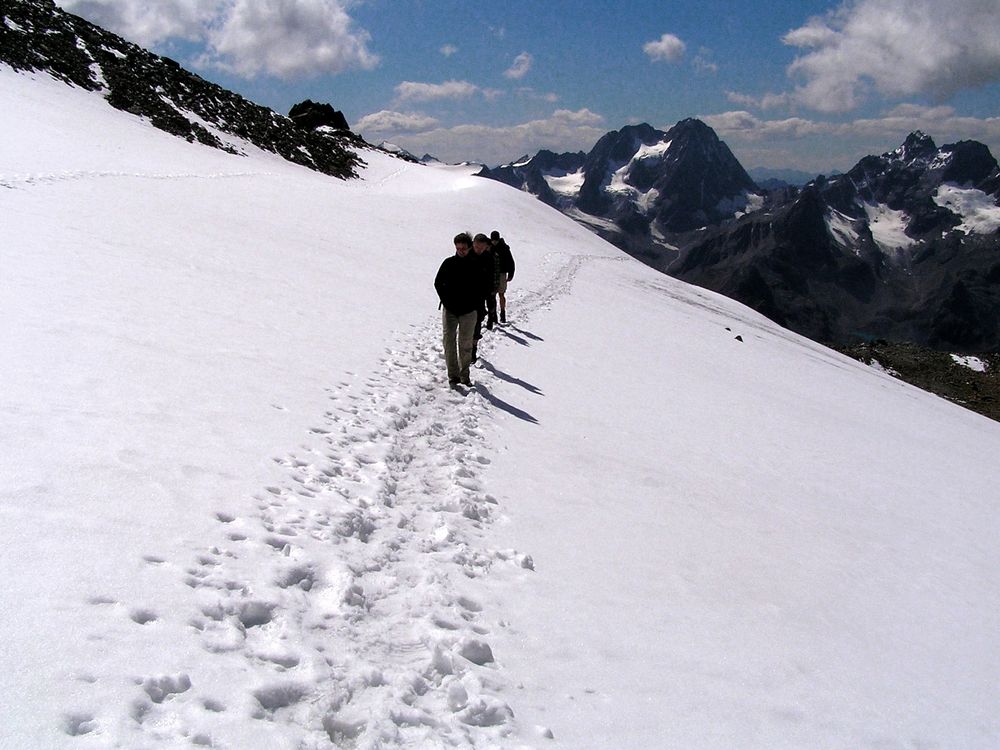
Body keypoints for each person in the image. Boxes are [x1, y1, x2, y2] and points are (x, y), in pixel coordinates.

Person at [434, 233, 484, 387]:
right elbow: (438, 283)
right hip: (450, 310)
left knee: (465, 344)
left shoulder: (476, 265)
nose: (460, 251)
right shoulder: (448, 263)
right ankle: (453, 376)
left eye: (463, 248)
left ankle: (465, 376)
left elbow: (481, 289)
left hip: (469, 312)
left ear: (469, 247)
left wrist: (477, 309)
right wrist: (446, 301)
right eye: (458, 248)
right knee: (448, 342)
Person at [490, 231, 515, 324]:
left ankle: (502, 313)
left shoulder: (504, 248)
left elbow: (510, 261)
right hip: (492, 274)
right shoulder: (490, 247)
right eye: (493, 240)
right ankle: (494, 315)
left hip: (501, 273)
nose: (494, 242)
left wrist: (511, 274)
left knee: (501, 294)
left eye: (495, 240)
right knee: (492, 295)